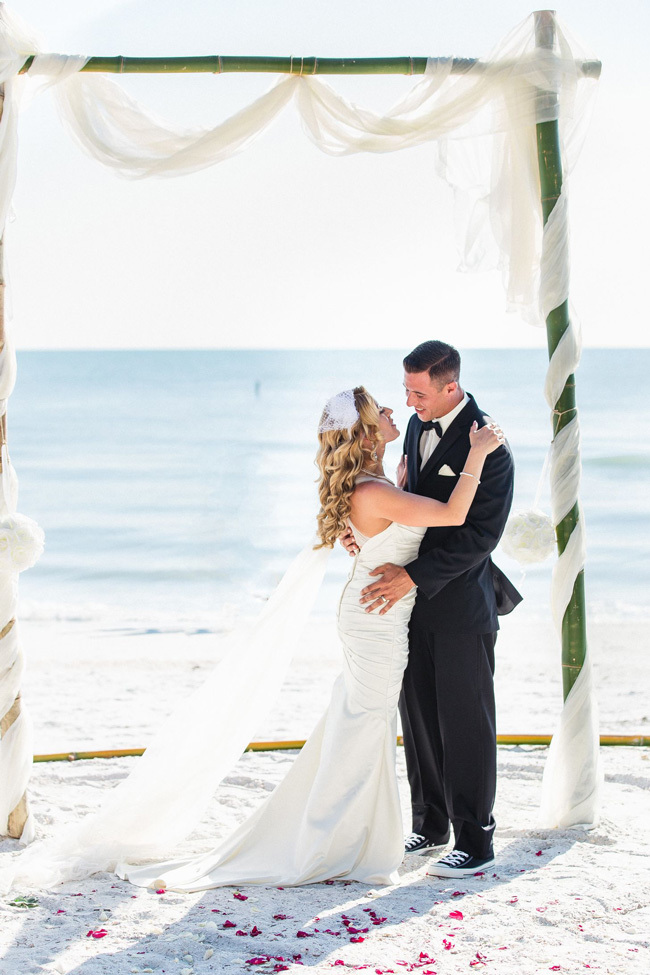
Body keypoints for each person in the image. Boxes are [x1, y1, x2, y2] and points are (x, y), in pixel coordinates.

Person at [116, 386, 504, 891]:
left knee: (361, 720)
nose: (396, 411)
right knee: (366, 723)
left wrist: (373, 524)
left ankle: (352, 829)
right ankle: (331, 837)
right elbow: (452, 515)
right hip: (377, 618)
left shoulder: (377, 480)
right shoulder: (374, 489)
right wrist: (476, 453)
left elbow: (382, 529)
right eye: (383, 411)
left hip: (376, 610)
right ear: (366, 434)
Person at [346, 342, 521, 879]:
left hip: (459, 603)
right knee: (417, 715)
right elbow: (413, 511)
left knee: (466, 722)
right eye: (405, 391)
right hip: (407, 607)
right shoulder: (421, 427)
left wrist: (411, 576)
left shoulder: (490, 446)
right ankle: (432, 823)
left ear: (450, 387)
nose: (409, 401)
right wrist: (371, 539)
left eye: (418, 392)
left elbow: (479, 537)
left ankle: (476, 837)